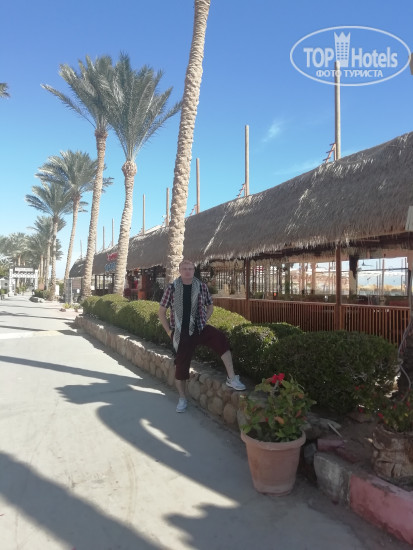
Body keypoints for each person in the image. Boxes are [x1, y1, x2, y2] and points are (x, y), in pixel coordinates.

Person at [158, 259, 246, 413]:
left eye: (190, 268)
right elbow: (161, 313)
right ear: (180, 271)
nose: (188, 271)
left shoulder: (201, 286)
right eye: (185, 268)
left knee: (220, 339)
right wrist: (169, 332)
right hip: (181, 331)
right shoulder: (172, 288)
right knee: (181, 367)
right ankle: (182, 398)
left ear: (194, 270)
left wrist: (204, 320)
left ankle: (232, 378)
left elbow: (210, 306)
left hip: (199, 327)